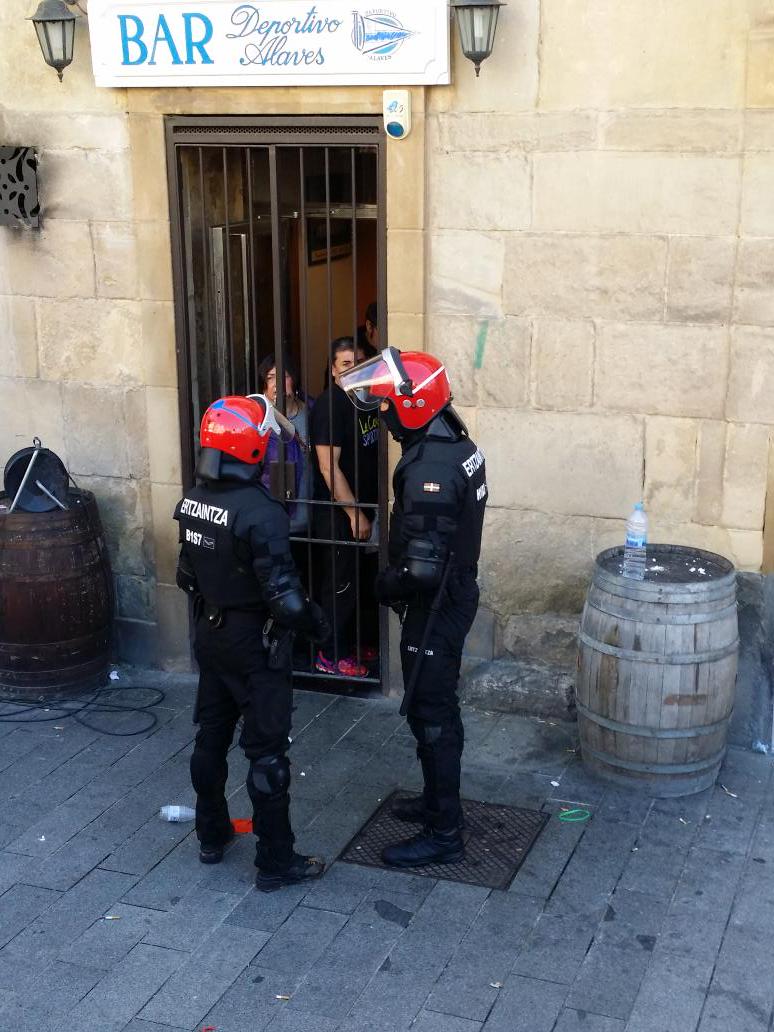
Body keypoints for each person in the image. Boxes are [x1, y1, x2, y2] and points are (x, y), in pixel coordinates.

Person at [173, 395, 330, 891]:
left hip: (210, 632)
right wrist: (318, 625)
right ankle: (276, 861)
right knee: (267, 754)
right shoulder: (262, 513)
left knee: (211, 736)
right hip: (254, 644)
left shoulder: (193, 499)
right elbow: (286, 601)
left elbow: (184, 576)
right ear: (253, 448)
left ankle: (211, 834)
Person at [339, 347, 487, 867]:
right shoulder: (455, 443)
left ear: (413, 404)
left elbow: (422, 568)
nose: (383, 414)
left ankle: (445, 834)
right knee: (437, 707)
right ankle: (436, 802)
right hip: (452, 594)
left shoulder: (431, 467)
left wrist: (384, 585)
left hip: (435, 605)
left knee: (432, 713)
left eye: (388, 404)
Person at [309, 336, 379, 678]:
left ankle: (352, 645)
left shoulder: (363, 400)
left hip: (363, 509)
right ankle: (330, 654)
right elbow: (328, 467)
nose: (354, 370)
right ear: (334, 370)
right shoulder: (331, 405)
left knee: (358, 582)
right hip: (339, 515)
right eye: (346, 364)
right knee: (340, 586)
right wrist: (354, 513)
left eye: (360, 363)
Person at [254, 354, 311, 540]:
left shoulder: (312, 411)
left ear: (294, 380)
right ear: (263, 385)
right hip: (268, 520)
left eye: (284, 376)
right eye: (270, 377)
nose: (277, 384)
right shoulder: (255, 419)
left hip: (310, 518)